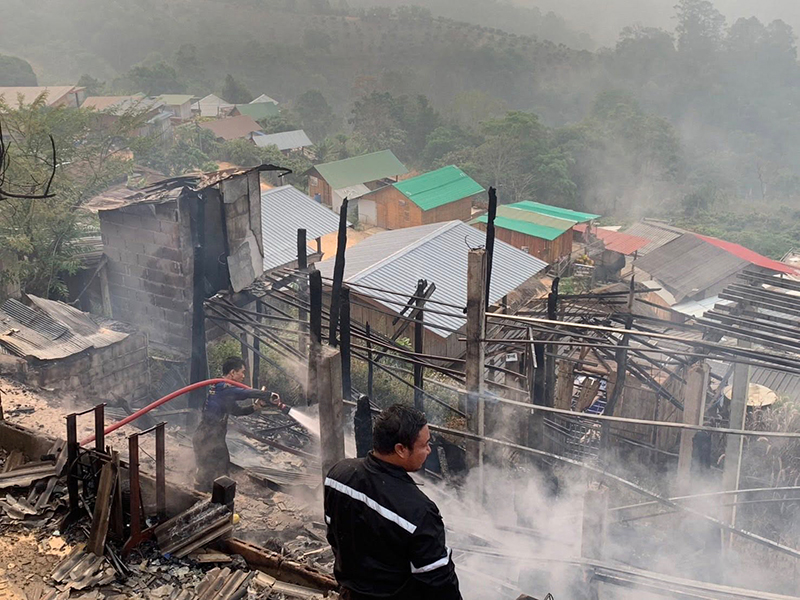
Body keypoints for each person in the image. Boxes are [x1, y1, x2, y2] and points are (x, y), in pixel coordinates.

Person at [324, 404, 461, 600]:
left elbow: (334, 537)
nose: (429, 450)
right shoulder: (419, 512)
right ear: (401, 449)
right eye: (424, 445)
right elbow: (439, 583)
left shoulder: (338, 476)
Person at [192, 356, 285, 490]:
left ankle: (210, 495)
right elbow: (243, 393)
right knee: (212, 474)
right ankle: (205, 496)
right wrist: (267, 394)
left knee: (218, 472)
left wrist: (257, 406)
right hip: (207, 438)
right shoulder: (221, 387)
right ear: (232, 372)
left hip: (212, 438)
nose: (243, 376)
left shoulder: (224, 391)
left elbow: (238, 411)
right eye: (242, 372)